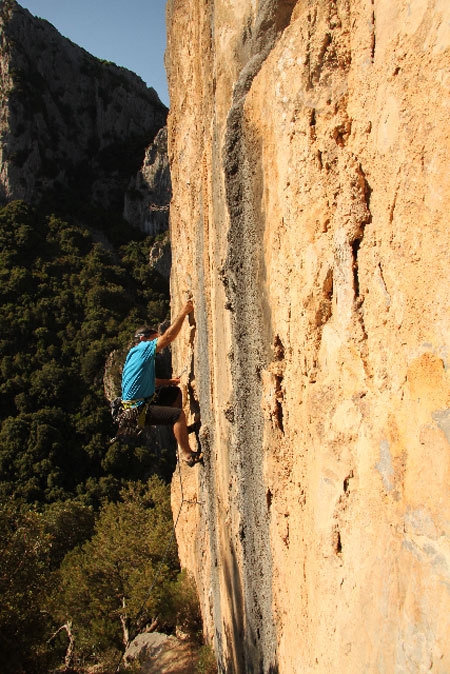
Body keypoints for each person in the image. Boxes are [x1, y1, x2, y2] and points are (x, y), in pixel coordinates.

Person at [120, 299, 202, 467]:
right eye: (153, 338)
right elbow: (168, 337)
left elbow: (151, 380)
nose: (155, 341)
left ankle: (182, 430)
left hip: (138, 404)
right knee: (177, 415)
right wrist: (184, 312)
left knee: (174, 393)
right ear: (143, 338)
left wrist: (171, 381)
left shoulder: (134, 355)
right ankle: (187, 455)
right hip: (139, 410)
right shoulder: (143, 349)